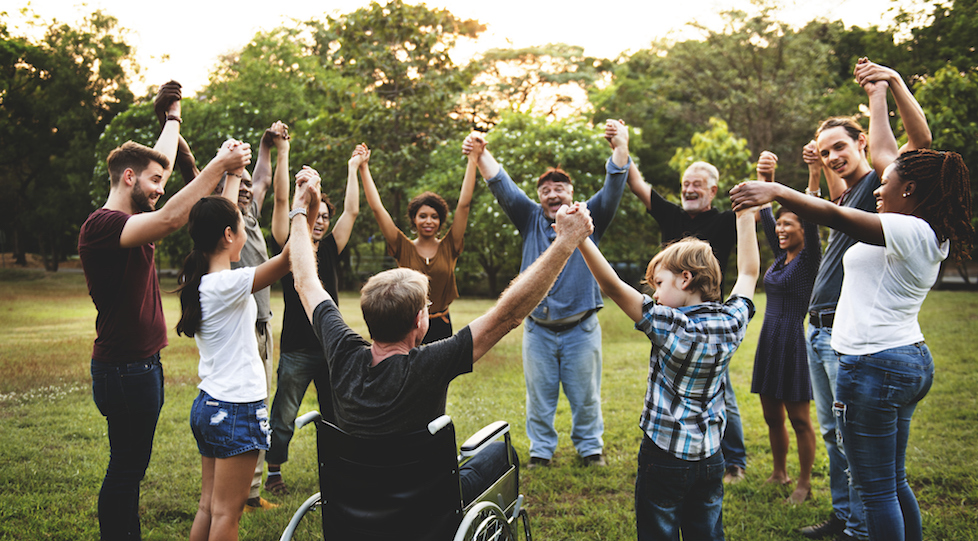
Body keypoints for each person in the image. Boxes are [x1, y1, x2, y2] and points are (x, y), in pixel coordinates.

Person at [731, 61, 972, 541]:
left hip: (875, 366)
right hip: (901, 358)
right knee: (895, 481)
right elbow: (892, 153)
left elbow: (831, 213)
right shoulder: (921, 227)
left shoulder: (908, 228)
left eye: (887, 185)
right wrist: (881, 90)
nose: (879, 190)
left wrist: (777, 189)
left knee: (880, 489)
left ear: (910, 190)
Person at [287, 166, 597, 497]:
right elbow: (508, 316)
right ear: (421, 322)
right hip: (425, 502)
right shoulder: (431, 364)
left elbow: (305, 280)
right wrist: (565, 242)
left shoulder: (342, 351)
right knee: (502, 455)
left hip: (356, 502)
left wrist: (300, 209)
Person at [79, 82, 251, 541]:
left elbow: (164, 173)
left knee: (131, 462)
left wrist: (172, 119)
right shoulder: (105, 226)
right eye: (153, 181)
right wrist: (219, 166)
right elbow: (176, 215)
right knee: (126, 466)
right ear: (127, 178)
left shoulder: (130, 217)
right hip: (123, 370)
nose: (161, 186)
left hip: (140, 366)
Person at [576, 198, 760, 541]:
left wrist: (579, 239)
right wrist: (744, 219)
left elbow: (611, 286)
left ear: (685, 280)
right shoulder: (732, 320)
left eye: (658, 283)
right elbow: (750, 274)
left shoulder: (668, 323)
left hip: (663, 456)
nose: (654, 293)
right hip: (710, 457)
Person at [795, 59, 933, 541]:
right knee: (836, 435)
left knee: (859, 449)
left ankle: (860, 532)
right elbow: (834, 199)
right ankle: (846, 514)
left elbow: (904, 149)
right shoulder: (866, 195)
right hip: (823, 327)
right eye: (826, 149)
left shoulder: (883, 189)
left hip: (855, 341)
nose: (833, 156)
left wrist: (883, 89)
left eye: (840, 147)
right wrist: (816, 167)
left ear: (862, 147)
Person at [466, 120, 631, 468]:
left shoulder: (589, 218)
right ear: (539, 196)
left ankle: (590, 450)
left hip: (581, 329)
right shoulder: (528, 218)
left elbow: (615, 184)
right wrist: (482, 154)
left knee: (586, 397)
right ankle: (541, 452)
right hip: (538, 330)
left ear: (571, 192)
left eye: (560, 188)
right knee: (539, 398)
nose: (553, 194)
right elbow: (501, 185)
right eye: (546, 190)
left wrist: (620, 145)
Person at [177, 190, 297, 541]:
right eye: (241, 225)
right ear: (229, 235)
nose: (245, 231)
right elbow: (288, 260)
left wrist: (229, 178)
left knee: (209, 507)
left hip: (209, 405)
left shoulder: (205, 282)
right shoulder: (228, 283)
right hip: (236, 410)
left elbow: (224, 219)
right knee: (227, 513)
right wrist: (303, 202)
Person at [624, 149, 748, 483]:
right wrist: (620, 145)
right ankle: (683, 448)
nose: (689, 189)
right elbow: (637, 184)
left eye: (697, 184)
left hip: (709, 319)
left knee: (721, 390)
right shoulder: (672, 215)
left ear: (713, 191)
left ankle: (733, 460)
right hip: (670, 317)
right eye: (685, 184)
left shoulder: (724, 220)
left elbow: (750, 233)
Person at [264, 145, 364, 495]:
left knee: (337, 414)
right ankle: (274, 472)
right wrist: (283, 155)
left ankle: (338, 470)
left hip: (332, 348)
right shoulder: (290, 248)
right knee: (284, 414)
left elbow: (351, 210)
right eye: (315, 215)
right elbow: (280, 204)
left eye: (324, 217)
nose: (320, 221)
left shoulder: (333, 249)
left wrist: (354, 168)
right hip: (296, 350)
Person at [220, 121, 291, 513]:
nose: (247, 187)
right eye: (237, 182)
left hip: (262, 325)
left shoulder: (250, 217)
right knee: (249, 405)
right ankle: (244, 494)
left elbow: (261, 178)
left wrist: (267, 144)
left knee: (259, 404)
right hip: (241, 328)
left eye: (248, 183)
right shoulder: (222, 223)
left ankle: (249, 490)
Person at [749, 151, 821, 504]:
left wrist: (813, 174)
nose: (779, 228)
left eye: (787, 224)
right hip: (769, 339)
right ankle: (779, 472)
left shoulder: (809, 259)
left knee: (799, 419)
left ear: (803, 230)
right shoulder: (780, 258)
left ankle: (804, 483)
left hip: (792, 339)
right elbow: (764, 214)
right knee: (771, 414)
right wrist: (766, 176)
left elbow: (810, 210)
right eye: (778, 224)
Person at [359, 139, 479, 343]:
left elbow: (464, 205)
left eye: (434, 216)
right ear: (414, 219)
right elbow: (377, 209)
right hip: (405, 325)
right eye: (422, 216)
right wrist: (363, 168)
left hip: (441, 324)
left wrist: (473, 159)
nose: (428, 221)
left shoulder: (450, 246)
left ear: (441, 221)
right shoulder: (402, 246)